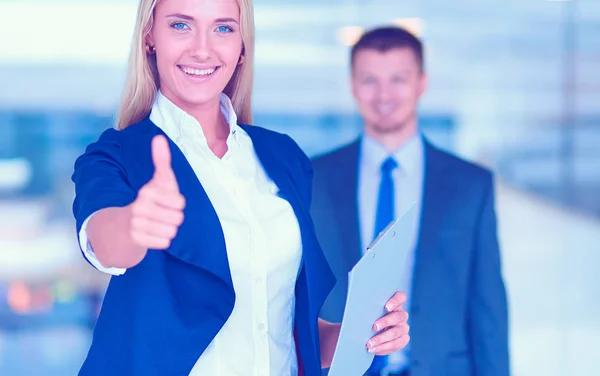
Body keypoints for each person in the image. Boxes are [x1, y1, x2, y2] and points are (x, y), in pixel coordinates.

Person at [71, 1, 410, 375]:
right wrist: (135, 223)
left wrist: (365, 333)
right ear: (150, 37)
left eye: (223, 28)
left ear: (242, 45)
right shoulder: (116, 155)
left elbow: (283, 326)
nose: (202, 48)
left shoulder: (283, 157)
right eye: (181, 26)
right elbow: (104, 242)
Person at [311, 26, 510, 376]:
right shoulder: (313, 178)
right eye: (369, 79)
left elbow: (487, 308)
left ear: (421, 82)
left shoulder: (471, 185)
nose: (383, 94)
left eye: (398, 79)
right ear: (353, 85)